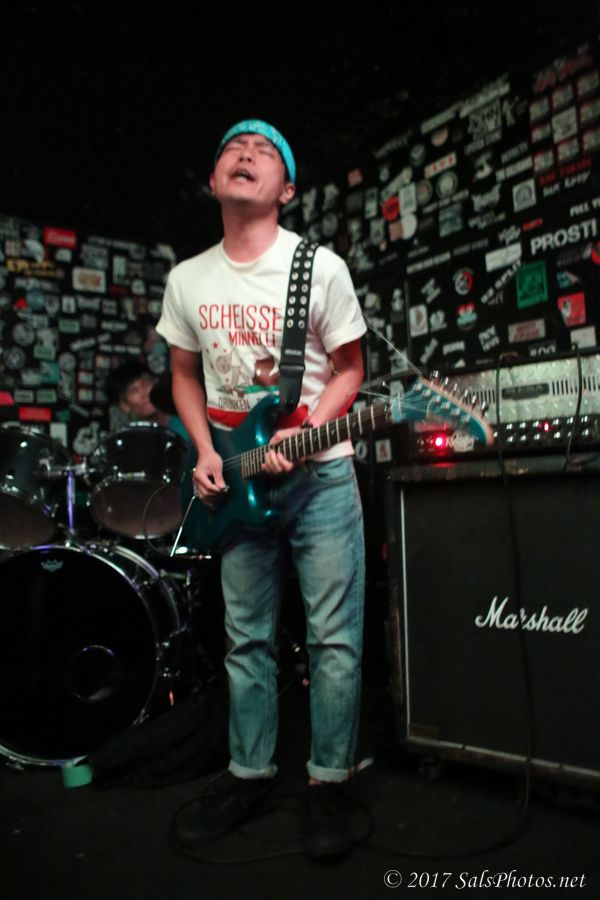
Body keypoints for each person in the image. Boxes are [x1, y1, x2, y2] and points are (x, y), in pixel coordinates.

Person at [156, 119, 366, 859]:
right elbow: (183, 375)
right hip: (234, 478)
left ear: (288, 190)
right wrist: (204, 451)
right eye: (232, 148)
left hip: (320, 475)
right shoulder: (187, 279)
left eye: (265, 150)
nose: (245, 153)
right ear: (214, 180)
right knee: (245, 638)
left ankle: (329, 783)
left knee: (333, 638)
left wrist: (304, 429)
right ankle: (249, 774)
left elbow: (350, 368)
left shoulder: (319, 267)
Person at [106, 361, 189, 442]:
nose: (143, 394)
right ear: (124, 405)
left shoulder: (187, 419)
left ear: (157, 382)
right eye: (133, 391)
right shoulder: (135, 440)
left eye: (146, 383)